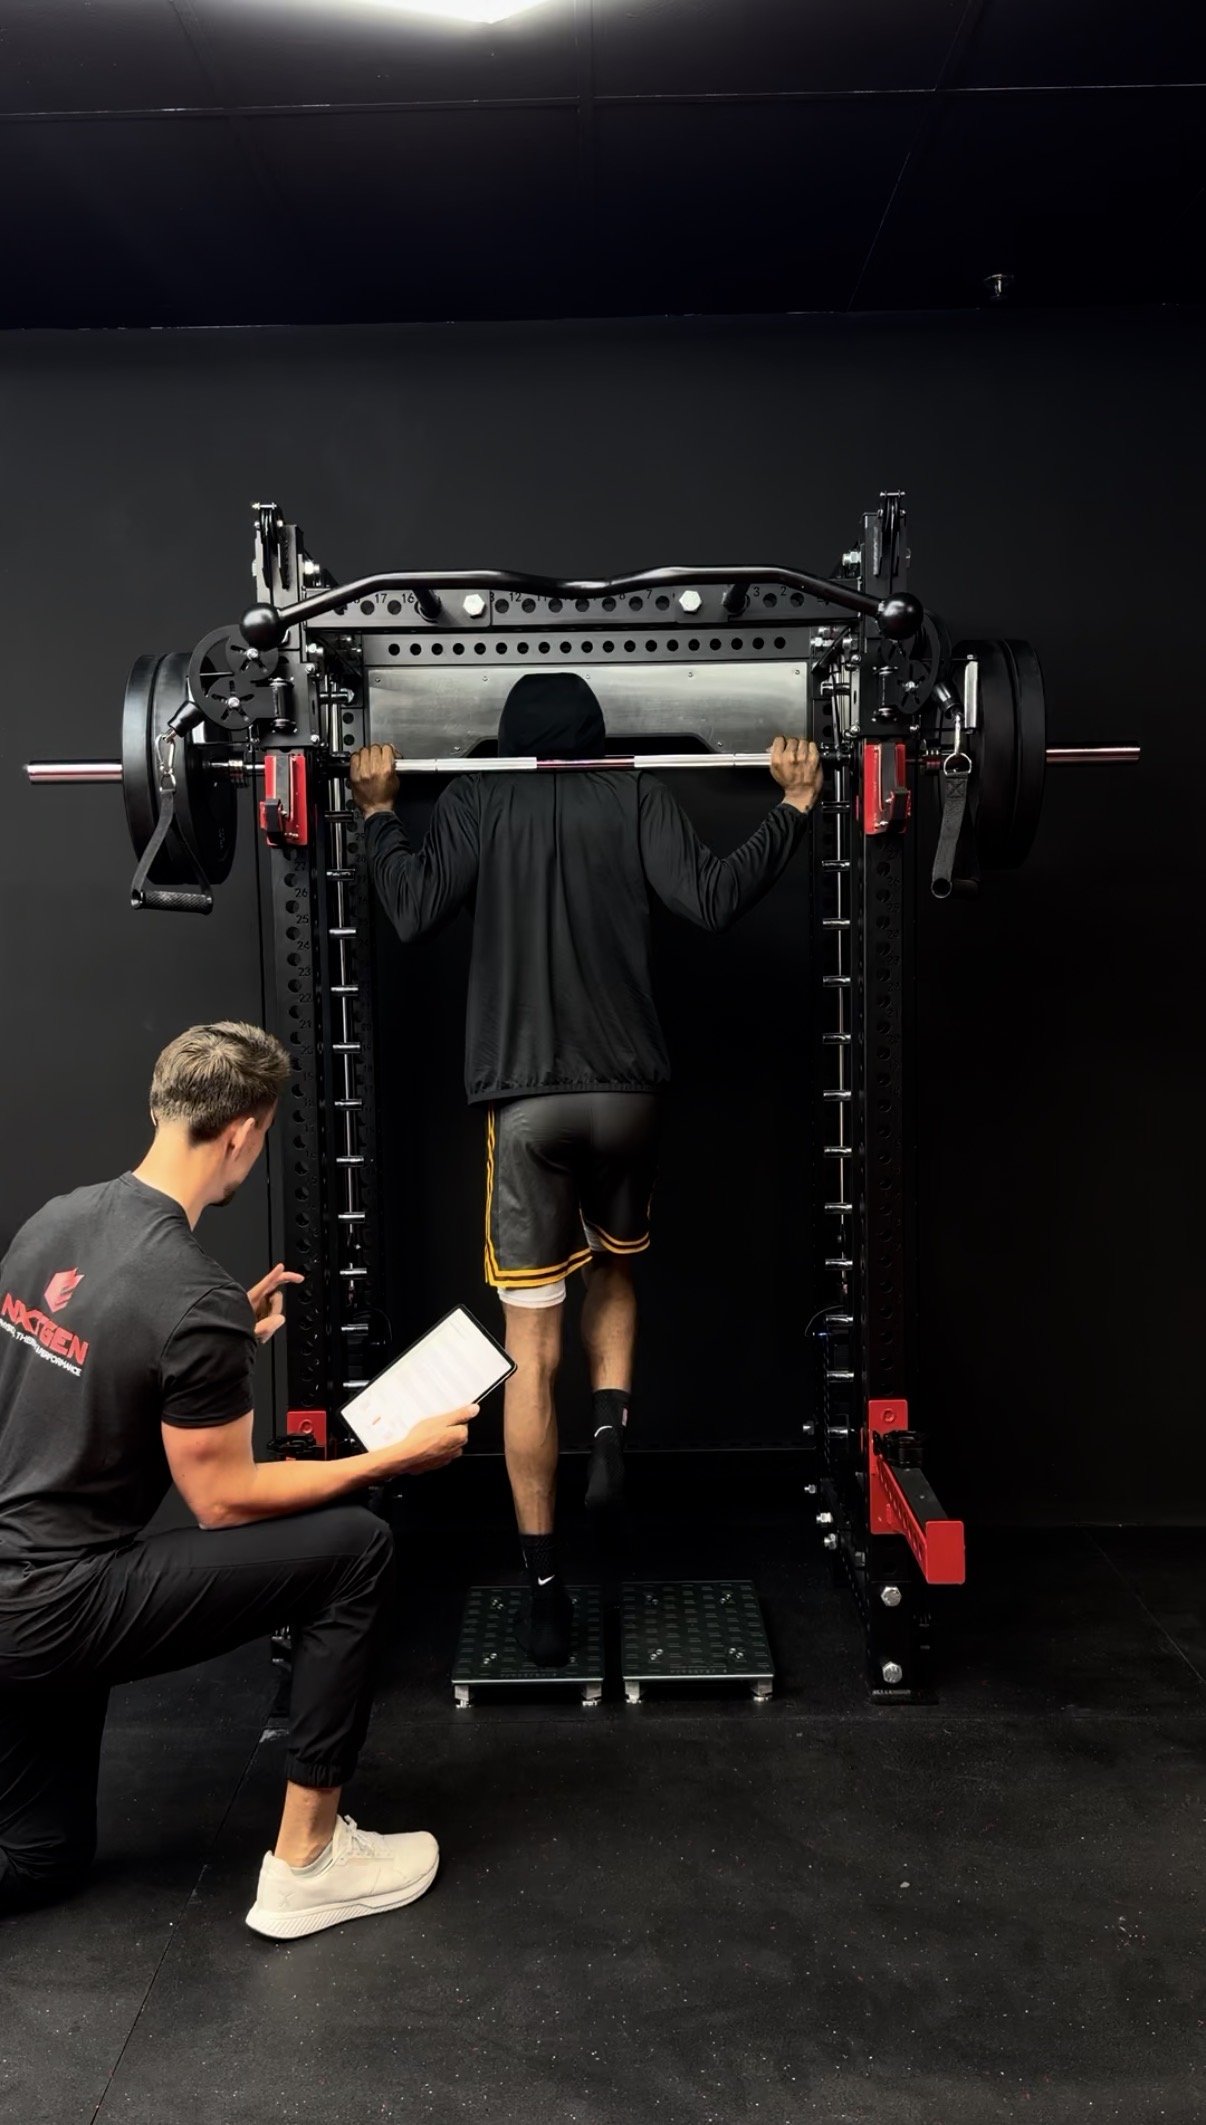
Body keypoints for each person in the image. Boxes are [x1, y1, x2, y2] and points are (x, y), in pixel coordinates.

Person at [351, 673, 823, 1666]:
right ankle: (611, 1437)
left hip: (531, 1104)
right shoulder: (637, 789)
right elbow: (713, 896)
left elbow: (411, 907)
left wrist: (381, 814)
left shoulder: (479, 797)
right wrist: (795, 804)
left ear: (511, 740)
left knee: (531, 1346)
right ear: (597, 735)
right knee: (617, 1265)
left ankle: (544, 1588)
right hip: (632, 1097)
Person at [0, 1021, 477, 1937]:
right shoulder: (191, 1295)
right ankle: (309, 1859)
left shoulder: (54, 1220)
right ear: (245, 1133)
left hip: (13, 1600)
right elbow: (222, 1502)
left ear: (162, 1103)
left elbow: (80, 1366)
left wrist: (218, 1345)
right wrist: (392, 1456)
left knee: (39, 1857)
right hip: (56, 1605)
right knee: (357, 1547)